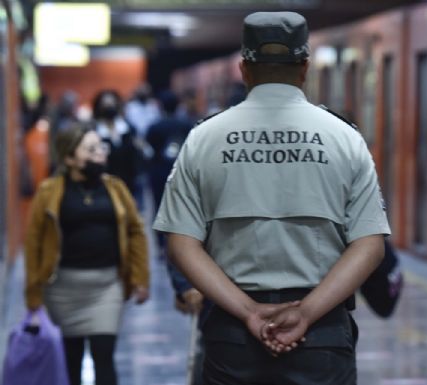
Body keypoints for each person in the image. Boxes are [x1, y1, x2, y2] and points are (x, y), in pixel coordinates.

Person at [153, 11, 390, 384]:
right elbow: (370, 246)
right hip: (323, 334)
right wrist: (307, 313)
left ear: (244, 68)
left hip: (232, 334)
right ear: (305, 67)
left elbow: (182, 245)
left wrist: (248, 311)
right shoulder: (344, 139)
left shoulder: (204, 139)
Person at [24, 124, 150, 385]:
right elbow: (34, 242)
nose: (100, 154)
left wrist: (140, 277)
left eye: (101, 147)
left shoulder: (115, 188)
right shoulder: (49, 191)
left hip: (107, 288)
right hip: (62, 290)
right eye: (91, 150)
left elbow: (136, 231)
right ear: (69, 158)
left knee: (104, 357)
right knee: (71, 361)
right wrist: (33, 296)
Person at [146, 90, 194, 258]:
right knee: (182, 208)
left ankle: (161, 245)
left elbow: (149, 147)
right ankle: (179, 245)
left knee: (159, 208)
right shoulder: (187, 124)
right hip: (182, 171)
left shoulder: (154, 126)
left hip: (159, 171)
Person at [92, 90, 144, 197]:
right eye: (105, 105)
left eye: (112, 104)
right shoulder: (94, 132)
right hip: (104, 184)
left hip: (130, 182)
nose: (109, 108)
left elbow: (137, 153)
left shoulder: (128, 128)